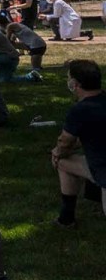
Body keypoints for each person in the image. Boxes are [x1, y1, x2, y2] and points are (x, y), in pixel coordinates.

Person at [52, 58, 106, 228]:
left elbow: (66, 141)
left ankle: (67, 217)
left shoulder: (80, 110)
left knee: (62, 161)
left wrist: (57, 152)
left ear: (75, 84)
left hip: (103, 171)